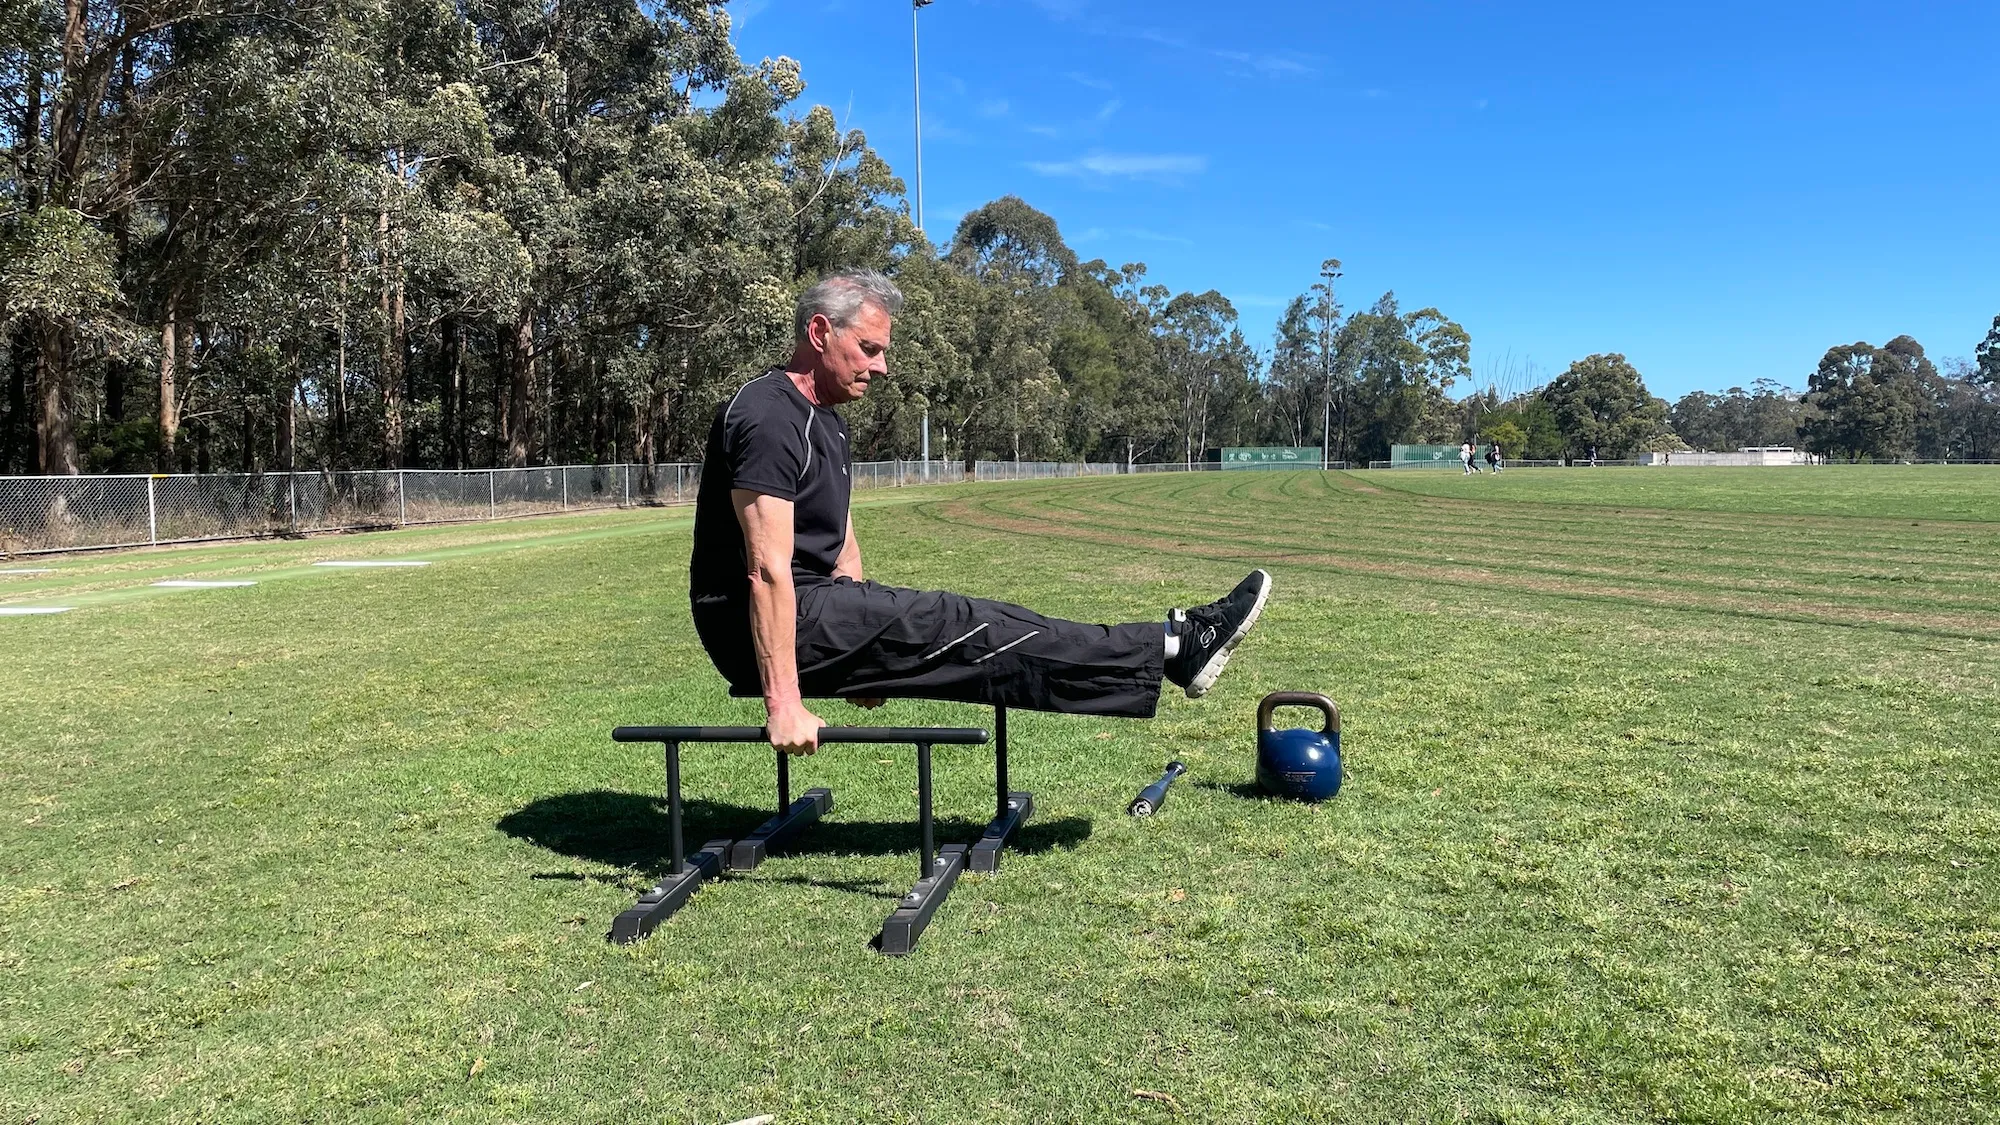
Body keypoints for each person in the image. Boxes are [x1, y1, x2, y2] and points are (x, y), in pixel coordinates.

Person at [689, 269, 1272, 755]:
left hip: (817, 609)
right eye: (870, 349)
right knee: (958, 621)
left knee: (972, 620)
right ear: (820, 332)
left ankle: (1170, 648)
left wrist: (865, 661)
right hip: (753, 625)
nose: (883, 366)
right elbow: (765, 570)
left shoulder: (828, 422)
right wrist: (784, 702)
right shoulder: (769, 415)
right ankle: (1173, 646)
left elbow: (840, 539)